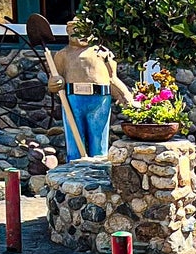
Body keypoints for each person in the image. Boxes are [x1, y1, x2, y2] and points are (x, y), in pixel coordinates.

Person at [47, 21, 135, 160]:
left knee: (99, 137)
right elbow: (54, 80)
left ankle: (99, 166)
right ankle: (74, 166)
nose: (82, 34)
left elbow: (112, 78)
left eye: (87, 30)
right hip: (73, 100)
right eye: (78, 30)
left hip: (100, 100)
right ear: (69, 31)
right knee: (74, 138)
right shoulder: (62, 55)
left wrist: (126, 97)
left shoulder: (103, 53)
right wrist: (55, 83)